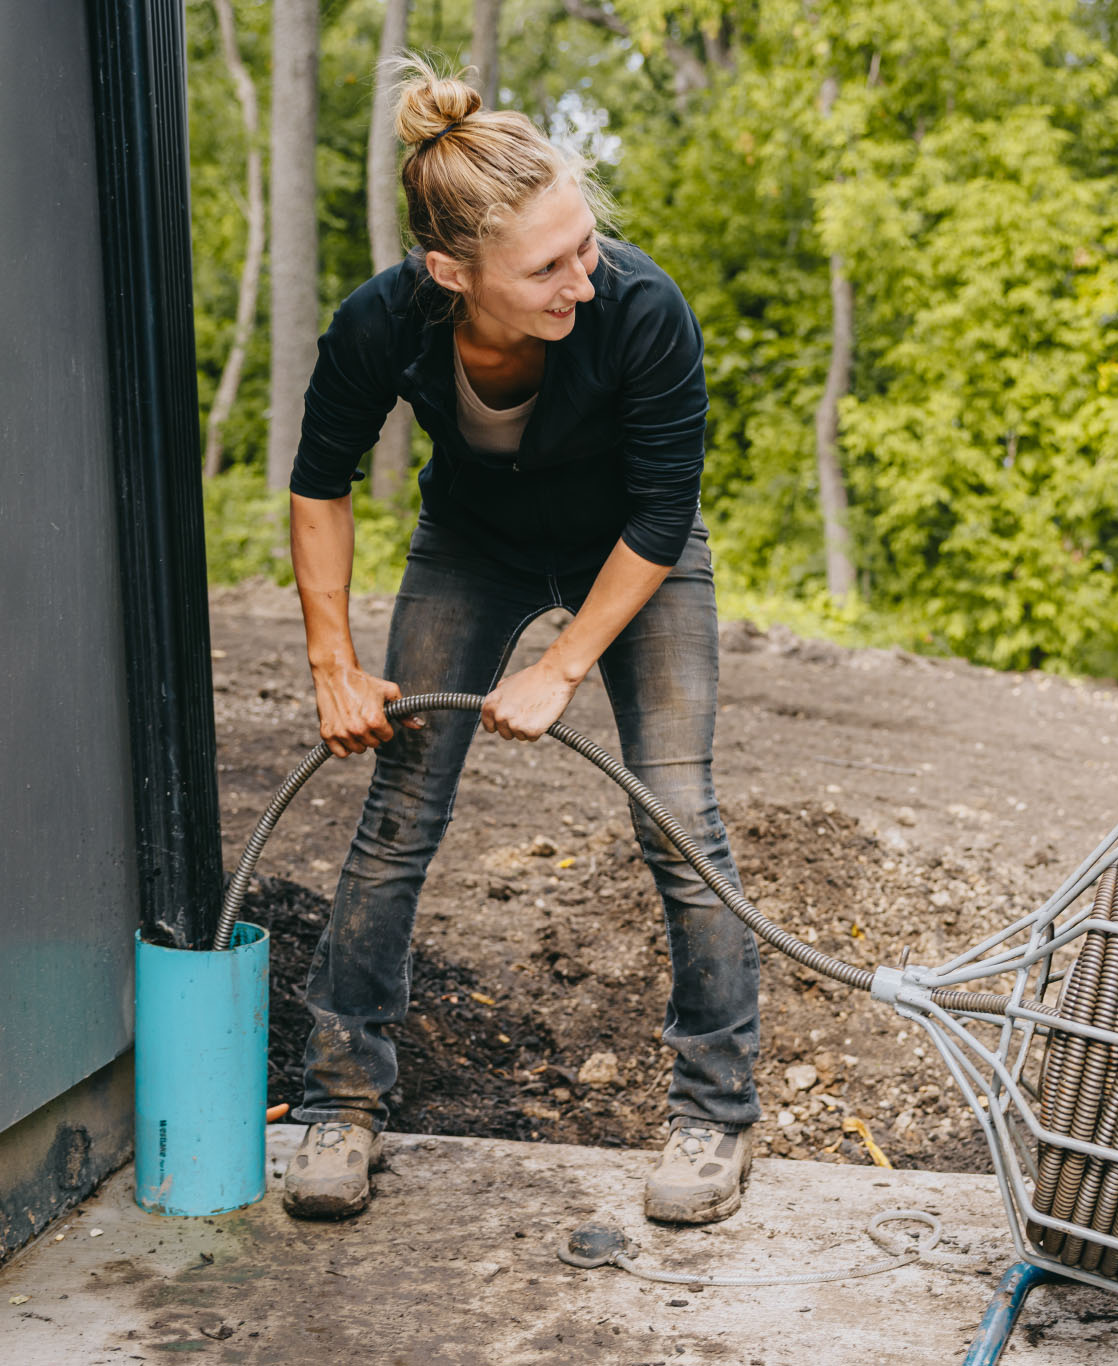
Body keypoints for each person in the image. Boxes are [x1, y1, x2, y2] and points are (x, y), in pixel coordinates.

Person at [281, 57, 761, 1225]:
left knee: (676, 810)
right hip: (473, 544)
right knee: (399, 807)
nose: (582, 280)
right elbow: (319, 484)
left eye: (585, 244)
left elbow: (659, 517)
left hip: (633, 550)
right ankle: (340, 1100)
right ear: (451, 272)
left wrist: (561, 666)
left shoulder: (642, 309)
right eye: (548, 266)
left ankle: (713, 1113)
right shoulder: (381, 322)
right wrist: (335, 666)